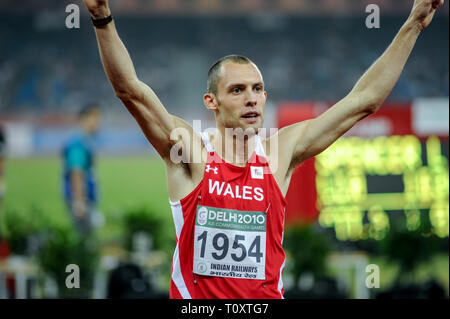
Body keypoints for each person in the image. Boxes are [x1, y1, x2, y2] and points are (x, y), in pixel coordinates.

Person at [82, 0, 444, 299]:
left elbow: (363, 101)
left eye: (257, 89)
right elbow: (131, 90)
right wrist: (102, 17)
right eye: (237, 90)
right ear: (211, 101)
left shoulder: (278, 153)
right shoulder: (190, 151)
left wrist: (413, 23)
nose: (251, 98)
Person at [62, 103, 102, 237]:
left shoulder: (84, 140)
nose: (98, 122)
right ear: (85, 118)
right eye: (95, 117)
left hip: (84, 199)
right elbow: (76, 171)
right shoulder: (78, 142)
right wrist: (79, 201)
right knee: (84, 238)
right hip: (81, 201)